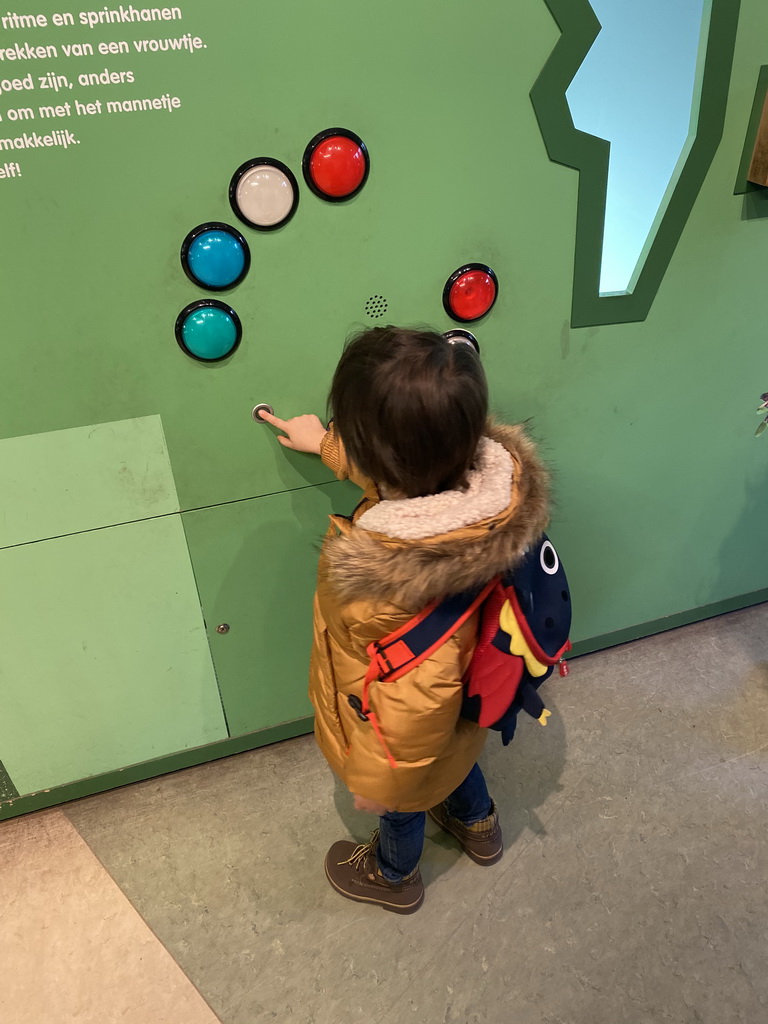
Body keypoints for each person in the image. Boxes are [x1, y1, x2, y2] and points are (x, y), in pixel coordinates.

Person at [261, 326, 549, 914]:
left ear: (380, 453)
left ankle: (395, 875)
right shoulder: (488, 501)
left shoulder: (389, 588)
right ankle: (479, 826)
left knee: (405, 802)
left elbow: (412, 710)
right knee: (455, 760)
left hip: (403, 741)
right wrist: (329, 447)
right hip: (465, 714)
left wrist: (378, 780)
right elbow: (411, 483)